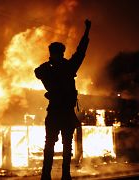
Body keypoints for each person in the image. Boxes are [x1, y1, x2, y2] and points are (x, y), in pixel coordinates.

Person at [34, 19, 91, 180]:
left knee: (64, 146)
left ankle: (63, 175)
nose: (56, 56)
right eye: (55, 54)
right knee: (52, 145)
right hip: (57, 112)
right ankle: (48, 175)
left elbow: (81, 51)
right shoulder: (52, 68)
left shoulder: (65, 67)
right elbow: (37, 72)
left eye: (57, 54)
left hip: (64, 112)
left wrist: (87, 32)